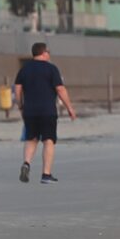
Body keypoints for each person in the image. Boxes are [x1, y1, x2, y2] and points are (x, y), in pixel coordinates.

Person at [15, 42, 76, 184]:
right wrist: (69, 108)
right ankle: (46, 174)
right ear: (44, 53)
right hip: (47, 111)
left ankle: (26, 163)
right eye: (48, 52)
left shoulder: (24, 69)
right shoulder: (51, 69)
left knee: (31, 139)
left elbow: (17, 88)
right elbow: (60, 89)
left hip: (29, 111)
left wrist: (20, 105)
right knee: (48, 140)